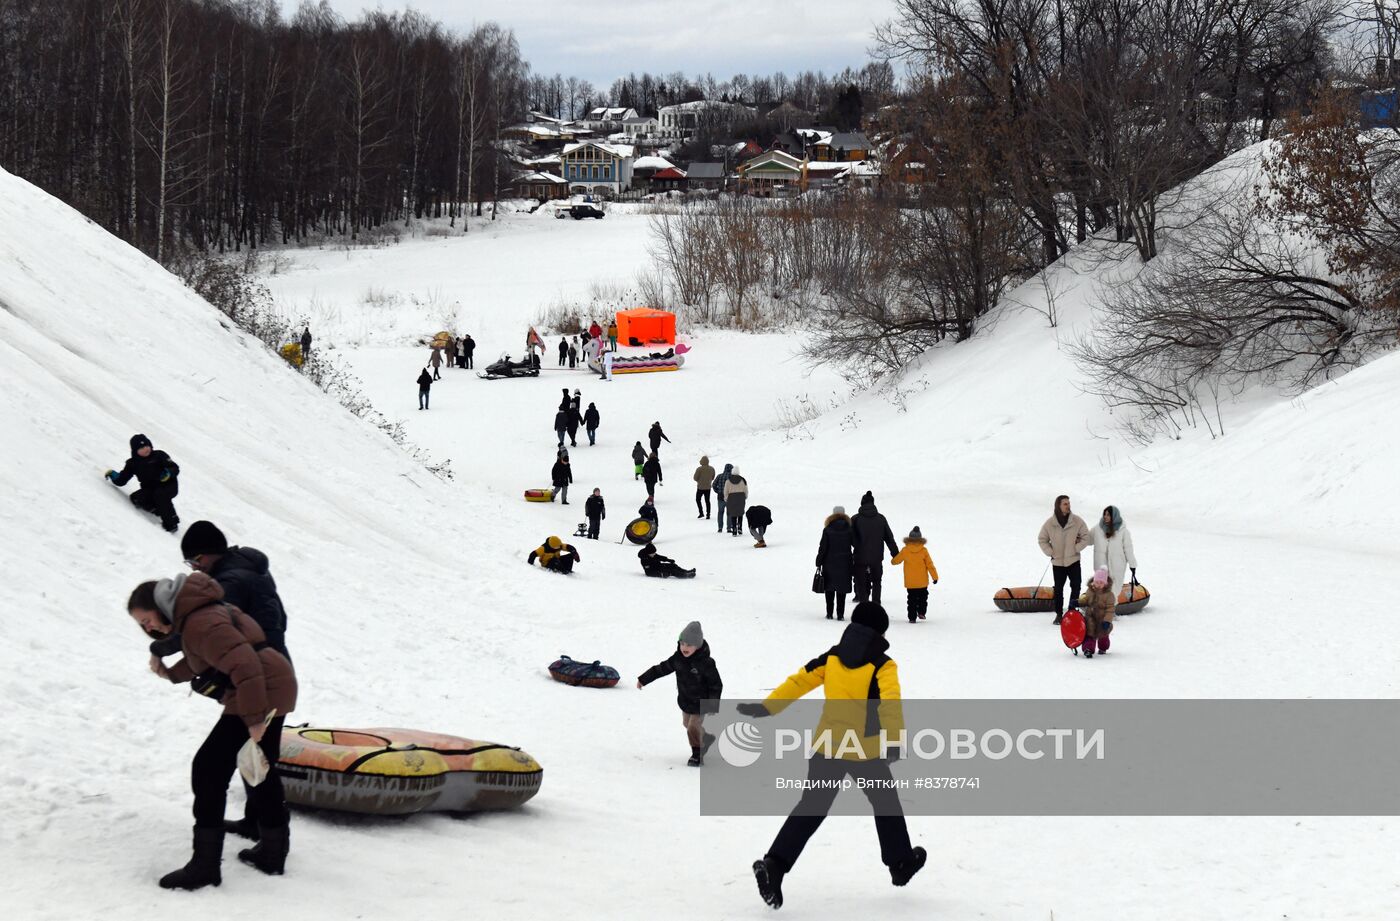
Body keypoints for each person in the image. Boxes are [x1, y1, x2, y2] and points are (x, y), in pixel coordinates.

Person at [739, 602, 926, 909]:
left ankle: (774, 864)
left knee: (812, 806)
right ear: (880, 632)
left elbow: (800, 680)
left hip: (826, 747)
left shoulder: (832, 657)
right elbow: (890, 703)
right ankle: (901, 862)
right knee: (885, 802)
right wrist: (894, 741)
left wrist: (767, 707)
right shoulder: (882, 665)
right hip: (864, 752)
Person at [128, 573, 298, 889]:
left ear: (162, 606)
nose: (148, 629)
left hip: (261, 689)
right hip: (271, 684)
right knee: (256, 768)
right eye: (142, 625)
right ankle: (273, 852)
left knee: (208, 770)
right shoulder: (197, 615)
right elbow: (207, 656)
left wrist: (253, 718)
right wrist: (170, 673)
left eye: (147, 619)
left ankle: (205, 866)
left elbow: (244, 664)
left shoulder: (199, 621)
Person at [179, 521, 292, 841]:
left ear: (208, 554)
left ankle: (258, 848)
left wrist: (165, 644)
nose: (195, 569)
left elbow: (210, 626)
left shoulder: (230, 582)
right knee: (256, 755)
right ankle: (257, 825)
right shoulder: (250, 570)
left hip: (257, 679)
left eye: (195, 561)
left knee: (213, 765)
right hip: (273, 670)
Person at [636, 621, 721, 766]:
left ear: (698, 646)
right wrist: (644, 679)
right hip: (686, 699)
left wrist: (712, 704)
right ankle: (706, 738)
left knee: (692, 727)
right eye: (682, 644)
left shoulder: (706, 663)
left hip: (701, 702)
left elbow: (716, 684)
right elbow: (661, 669)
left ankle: (697, 754)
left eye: (689, 645)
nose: (685, 648)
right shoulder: (677, 659)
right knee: (686, 724)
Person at [106, 433, 181, 532]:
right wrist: (114, 476)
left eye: (147, 445)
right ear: (135, 451)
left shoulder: (159, 455)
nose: (146, 449)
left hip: (168, 485)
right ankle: (157, 509)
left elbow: (174, 467)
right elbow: (122, 480)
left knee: (160, 495)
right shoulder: (133, 463)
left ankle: (172, 523)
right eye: (141, 448)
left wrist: (169, 473)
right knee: (136, 498)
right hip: (151, 488)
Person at [1038, 494, 1091, 625]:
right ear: (1058, 506)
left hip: (1073, 561)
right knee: (1058, 589)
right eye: (1065, 504)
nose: (1068, 506)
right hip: (1057, 563)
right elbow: (1042, 539)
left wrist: (1076, 548)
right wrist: (1051, 552)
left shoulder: (1077, 521)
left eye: (1069, 503)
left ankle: (1072, 612)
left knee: (1076, 587)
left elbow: (1086, 537)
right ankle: (1059, 614)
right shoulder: (1050, 523)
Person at [852, 492, 899, 605]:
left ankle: (863, 606)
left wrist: (857, 546)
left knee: (861, 582)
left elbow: (850, 538)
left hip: (860, 557)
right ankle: (876, 604)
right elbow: (889, 537)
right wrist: (895, 553)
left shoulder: (855, 519)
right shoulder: (881, 519)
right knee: (877, 581)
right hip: (876, 557)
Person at [890, 526, 939, 623]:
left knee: (911, 600)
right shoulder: (924, 551)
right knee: (923, 598)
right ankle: (921, 612)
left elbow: (896, 561)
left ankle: (912, 618)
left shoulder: (905, 550)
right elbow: (930, 565)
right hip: (922, 582)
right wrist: (935, 577)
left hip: (910, 582)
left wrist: (893, 560)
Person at [816, 506, 855, 620]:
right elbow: (856, 544)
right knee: (841, 589)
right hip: (845, 562)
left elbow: (823, 547)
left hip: (829, 562)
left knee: (829, 588)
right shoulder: (849, 529)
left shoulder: (827, 529)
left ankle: (829, 613)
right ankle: (840, 614)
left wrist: (819, 561)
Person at [1091, 505, 1138, 599]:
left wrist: (1132, 564)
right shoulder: (1097, 529)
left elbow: (1128, 549)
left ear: (1114, 516)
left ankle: (1110, 610)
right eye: (1104, 514)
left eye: (1108, 515)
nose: (1105, 516)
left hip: (1117, 566)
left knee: (1114, 591)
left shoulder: (1123, 532)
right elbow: (1087, 539)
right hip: (1101, 566)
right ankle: (1100, 610)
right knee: (1101, 590)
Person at [1080, 566, 1116, 658]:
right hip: (1090, 618)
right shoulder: (1090, 591)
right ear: (1093, 582)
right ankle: (1088, 649)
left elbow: (1110, 609)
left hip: (1102, 619)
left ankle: (1103, 648)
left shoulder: (1109, 595)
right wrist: (1078, 602)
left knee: (1103, 636)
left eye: (1101, 582)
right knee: (1089, 634)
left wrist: (1107, 621)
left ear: (1106, 584)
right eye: (1097, 582)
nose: (1098, 584)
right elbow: (1085, 600)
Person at [723, 466, 749, 536]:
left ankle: (734, 529)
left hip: (731, 498)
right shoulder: (743, 480)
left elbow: (725, 491)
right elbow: (746, 490)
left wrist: (726, 498)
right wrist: (745, 497)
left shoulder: (728, 481)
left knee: (733, 514)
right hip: (741, 498)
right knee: (740, 513)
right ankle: (740, 527)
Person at [713, 463, 734, 533]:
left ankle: (720, 528)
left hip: (720, 497)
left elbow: (714, 485)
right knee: (729, 513)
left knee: (720, 512)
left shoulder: (719, 476)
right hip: (729, 497)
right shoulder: (732, 477)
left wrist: (718, 491)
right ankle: (728, 528)